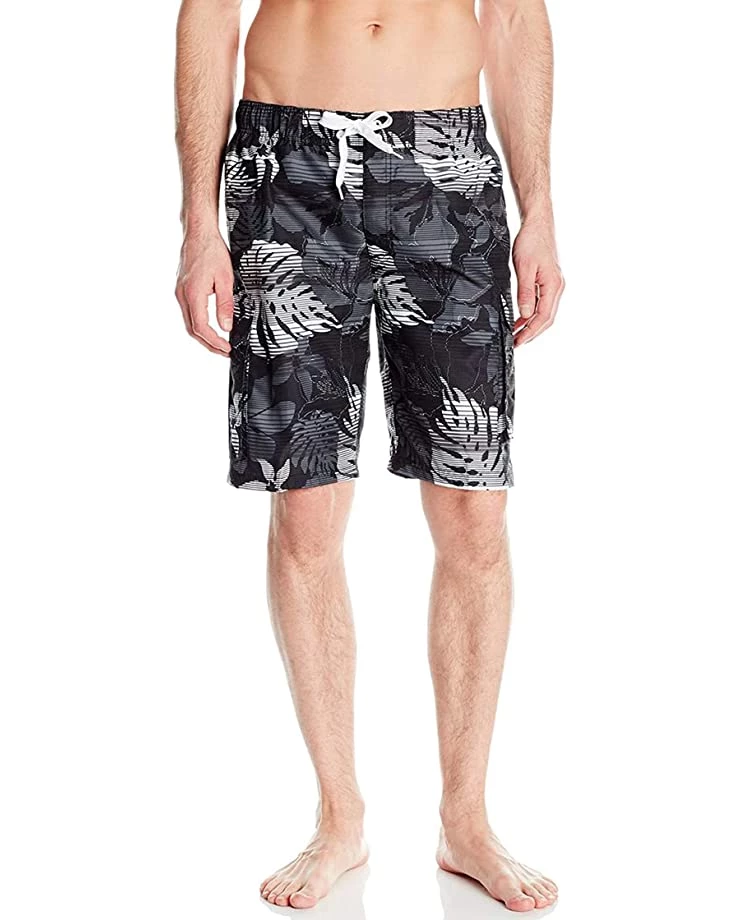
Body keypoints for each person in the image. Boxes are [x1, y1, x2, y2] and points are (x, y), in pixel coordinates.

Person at [174, 0, 564, 911]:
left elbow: (514, 17)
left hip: (447, 162)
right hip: (286, 164)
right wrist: (198, 220)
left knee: (473, 506)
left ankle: (466, 819)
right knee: (306, 502)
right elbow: (209, 13)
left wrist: (539, 208)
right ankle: (339, 815)